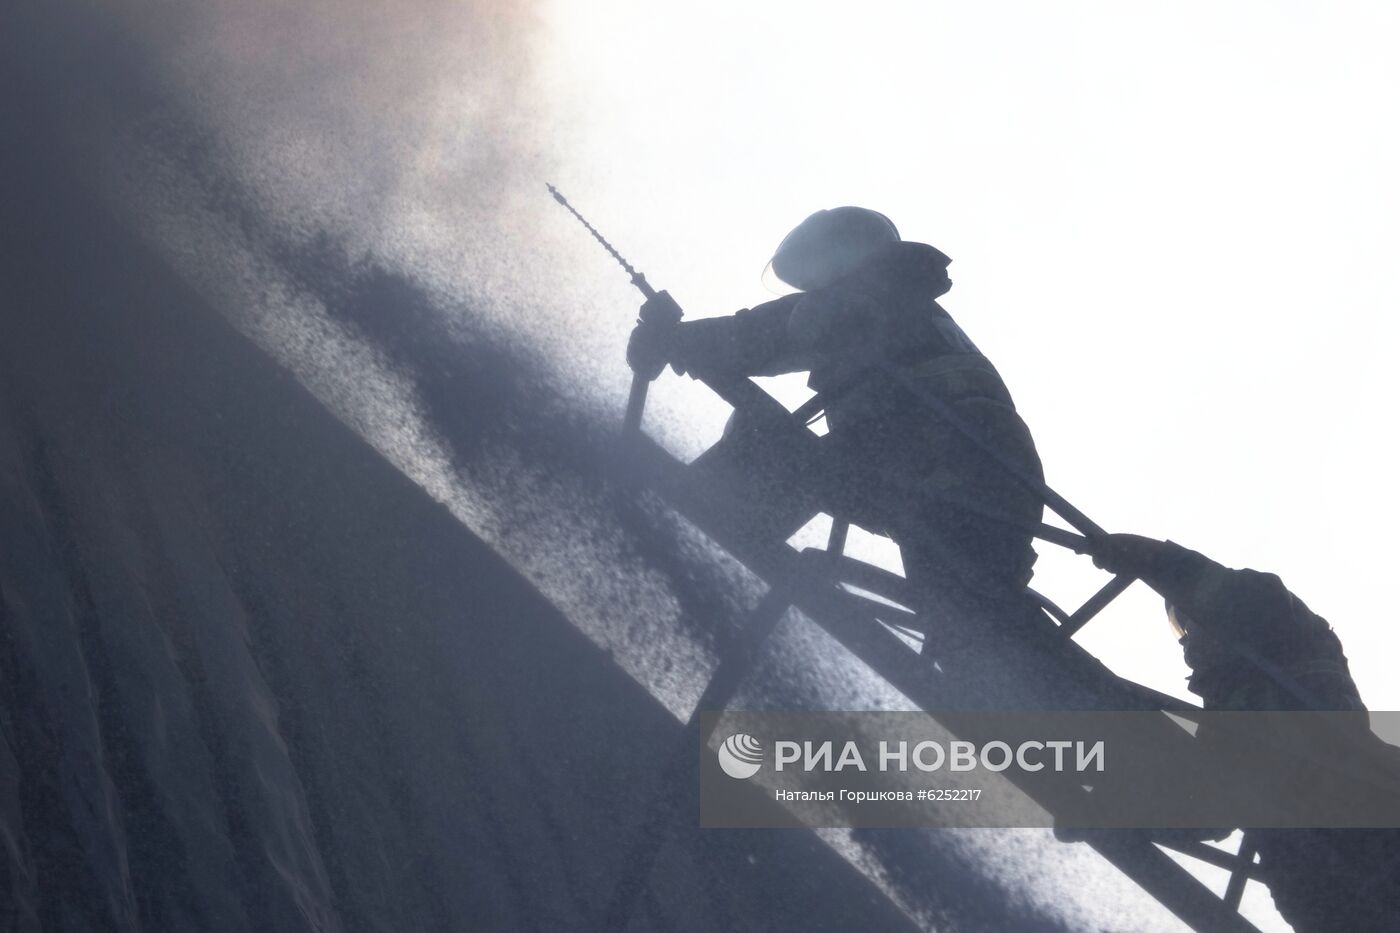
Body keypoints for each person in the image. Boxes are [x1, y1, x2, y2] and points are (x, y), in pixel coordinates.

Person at [626, 207, 1045, 618]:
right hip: (993, 488)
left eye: (813, 270)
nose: (811, 286)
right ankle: (1030, 665)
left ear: (843, 259)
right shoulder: (920, 310)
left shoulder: (860, 297)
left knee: (769, 443)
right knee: (967, 622)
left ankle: (683, 550)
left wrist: (674, 338)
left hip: (932, 468)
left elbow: (758, 338)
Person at [1090, 533, 1400, 932]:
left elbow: (1246, 595)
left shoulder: (1289, 643)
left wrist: (1162, 560)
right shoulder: (1227, 723)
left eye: (1187, 621)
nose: (1186, 639)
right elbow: (1204, 810)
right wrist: (1109, 813)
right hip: (1329, 892)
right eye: (1178, 628)